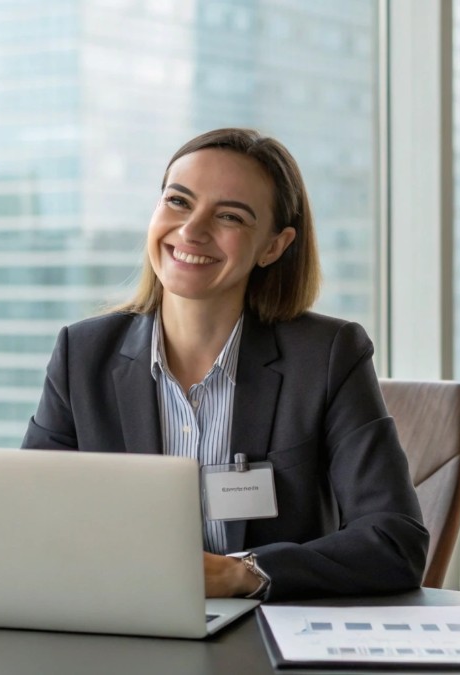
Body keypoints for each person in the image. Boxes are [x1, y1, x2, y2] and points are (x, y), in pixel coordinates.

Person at [22, 128, 428, 601]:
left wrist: (244, 573)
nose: (192, 230)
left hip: (263, 639)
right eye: (178, 201)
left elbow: (396, 542)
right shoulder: (82, 354)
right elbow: (30, 518)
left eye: (230, 216)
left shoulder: (329, 355)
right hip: (121, 624)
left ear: (273, 246)